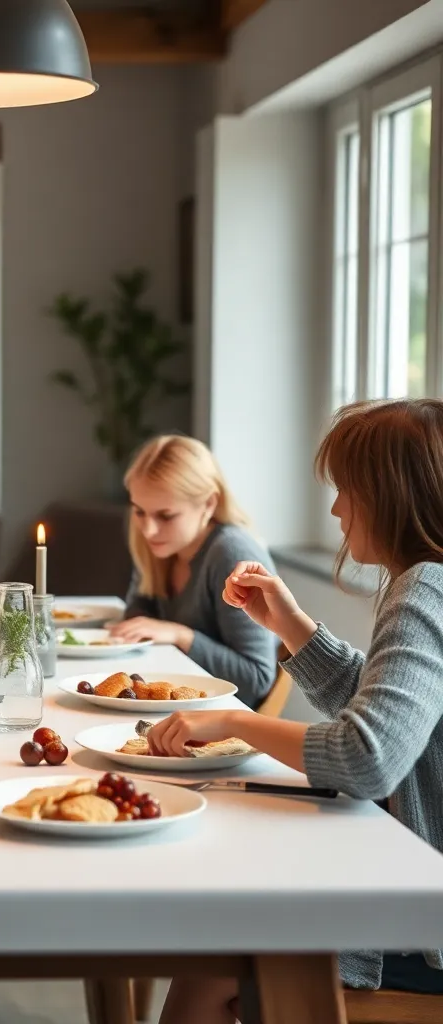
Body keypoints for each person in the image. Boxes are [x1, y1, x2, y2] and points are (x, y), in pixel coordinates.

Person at [149, 399, 443, 1021]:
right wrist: (291, 624)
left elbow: (369, 758)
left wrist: (233, 720)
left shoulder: (425, 588)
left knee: (213, 955)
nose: (336, 510)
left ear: (392, 496)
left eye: (347, 491)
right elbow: (394, 710)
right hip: (415, 888)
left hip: (426, 931)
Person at [107, 435, 278, 708]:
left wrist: (180, 635)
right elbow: (139, 612)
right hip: (173, 704)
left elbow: (256, 679)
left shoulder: (232, 554)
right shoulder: (158, 541)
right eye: (139, 512)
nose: (148, 529)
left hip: (224, 717)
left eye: (166, 516)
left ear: (209, 504)